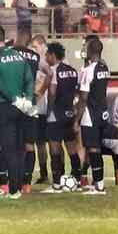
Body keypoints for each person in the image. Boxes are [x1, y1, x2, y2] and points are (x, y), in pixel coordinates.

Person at [0, 26, 34, 199]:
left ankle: (14, 190)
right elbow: (29, 79)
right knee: (20, 147)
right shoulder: (19, 56)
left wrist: (13, 98)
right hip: (21, 106)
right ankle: (19, 187)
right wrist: (26, 100)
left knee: (9, 150)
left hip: (3, 106)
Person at [39, 42, 82, 193]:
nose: (45, 58)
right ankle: (77, 179)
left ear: (52, 55)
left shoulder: (54, 71)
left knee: (54, 150)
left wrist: (50, 111)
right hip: (70, 113)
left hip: (56, 114)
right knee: (72, 148)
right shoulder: (73, 71)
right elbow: (76, 93)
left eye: (46, 55)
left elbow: (52, 92)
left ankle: (57, 184)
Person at [76, 38, 110, 194]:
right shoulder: (104, 67)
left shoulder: (89, 70)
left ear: (90, 51)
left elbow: (83, 98)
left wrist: (77, 119)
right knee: (95, 149)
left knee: (94, 149)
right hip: (102, 113)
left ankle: (99, 186)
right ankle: (97, 183)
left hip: (90, 114)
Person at [13, 27, 40, 193]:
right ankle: (27, 183)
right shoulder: (35, 56)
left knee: (16, 143)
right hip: (31, 102)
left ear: (19, 36)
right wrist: (40, 91)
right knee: (30, 144)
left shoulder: (12, 52)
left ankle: (13, 179)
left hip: (16, 101)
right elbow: (48, 72)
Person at [29, 34, 50, 184]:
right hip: (38, 109)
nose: (34, 50)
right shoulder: (36, 62)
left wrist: (40, 91)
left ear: (43, 45)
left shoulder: (48, 63)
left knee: (53, 142)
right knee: (40, 143)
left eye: (35, 47)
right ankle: (43, 173)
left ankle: (57, 172)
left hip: (46, 108)